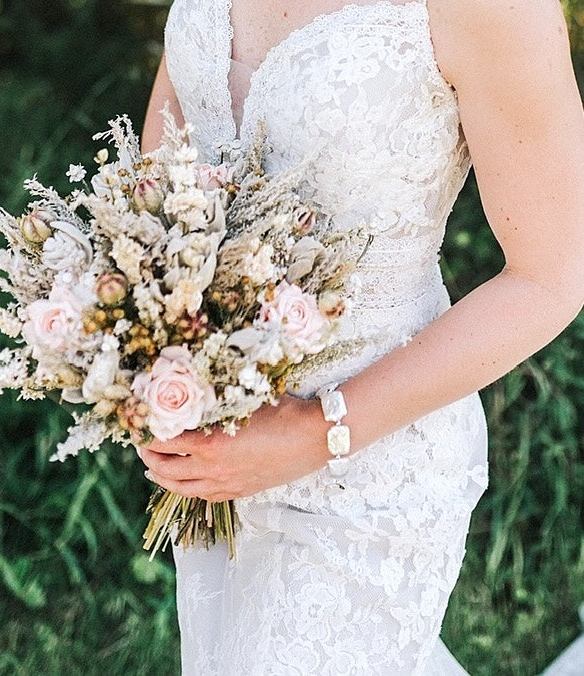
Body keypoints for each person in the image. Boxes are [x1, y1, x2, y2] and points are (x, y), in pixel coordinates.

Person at [139, 0, 584, 673]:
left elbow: (552, 278)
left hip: (373, 464)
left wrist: (316, 432)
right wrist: (148, 339)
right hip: (217, 437)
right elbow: (169, 142)